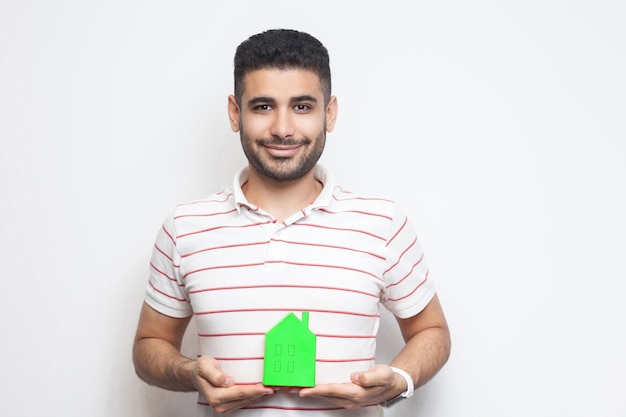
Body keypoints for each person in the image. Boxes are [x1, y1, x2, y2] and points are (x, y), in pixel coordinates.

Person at [133, 28, 451, 417]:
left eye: (302, 106)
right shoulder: (184, 228)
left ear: (329, 113)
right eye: (263, 106)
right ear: (235, 113)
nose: (283, 129)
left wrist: (399, 380)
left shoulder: (383, 223)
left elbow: (432, 331)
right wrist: (189, 372)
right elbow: (150, 344)